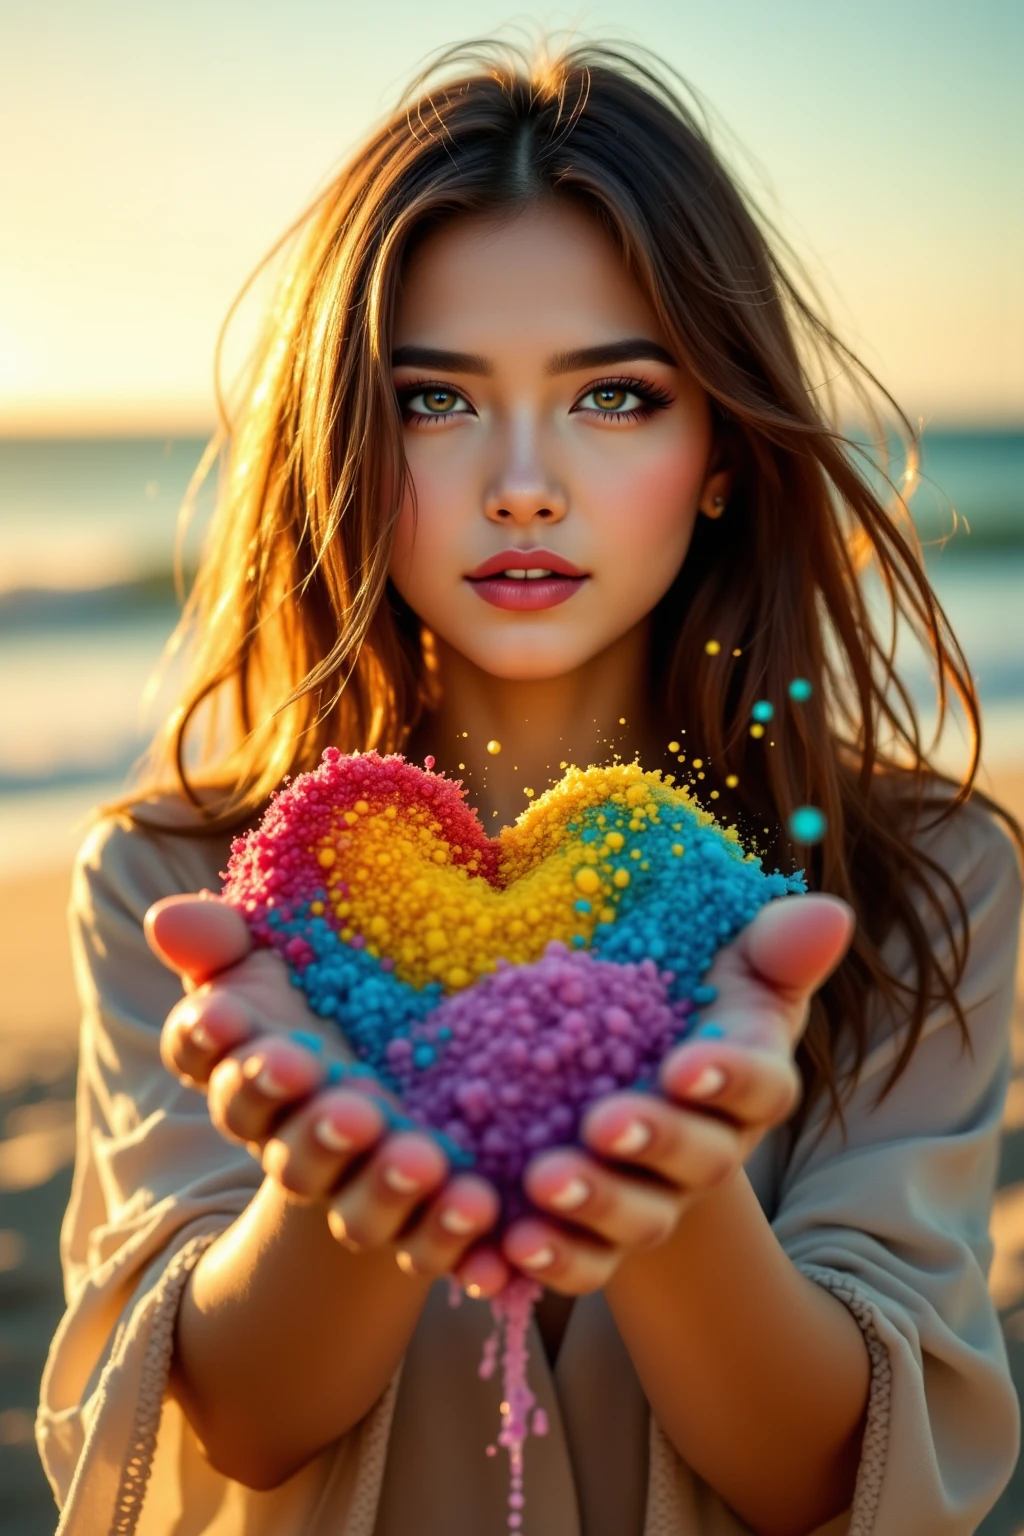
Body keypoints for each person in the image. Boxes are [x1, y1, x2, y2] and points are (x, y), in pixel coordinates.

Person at [38, 38, 1022, 1536]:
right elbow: (235, 1420)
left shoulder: (919, 877)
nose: (522, 482)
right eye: (434, 401)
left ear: (721, 452)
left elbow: (826, 1475)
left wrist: (672, 1183)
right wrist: (336, 1181)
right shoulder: (187, 884)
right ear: (344, 446)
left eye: (615, 397)